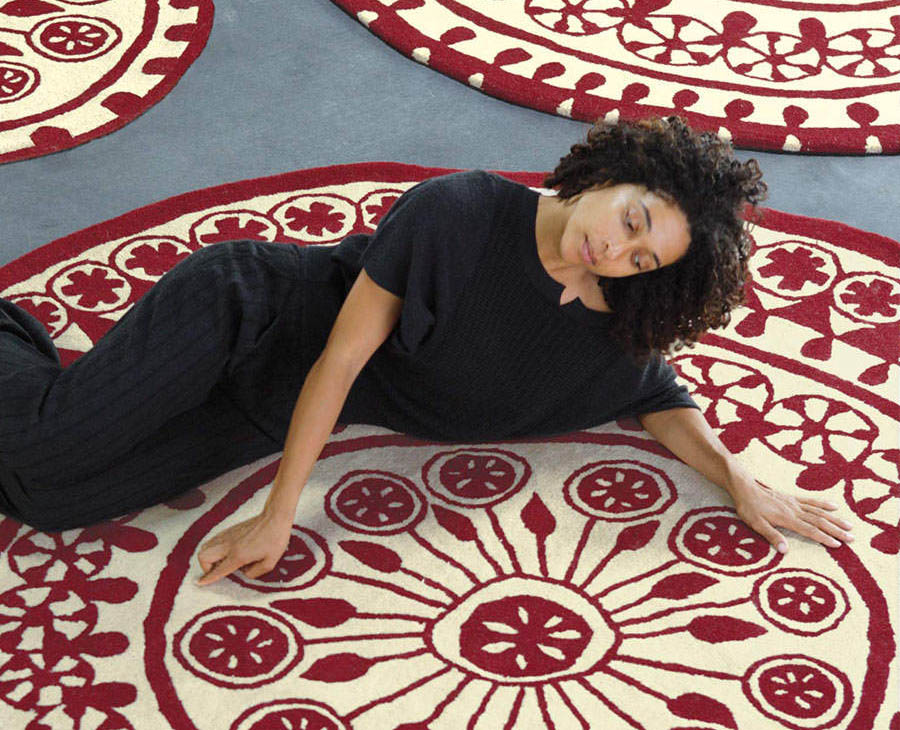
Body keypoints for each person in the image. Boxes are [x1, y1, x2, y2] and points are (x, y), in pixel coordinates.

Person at [0, 116, 854, 586]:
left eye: (642, 259)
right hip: (249, 316)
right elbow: (341, 359)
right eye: (631, 220)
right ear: (614, 173)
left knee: (52, 499)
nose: (615, 250)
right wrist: (279, 514)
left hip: (266, 404)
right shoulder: (460, 211)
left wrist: (740, 479)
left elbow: (660, 396)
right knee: (48, 446)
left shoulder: (608, 330)